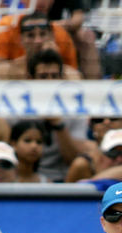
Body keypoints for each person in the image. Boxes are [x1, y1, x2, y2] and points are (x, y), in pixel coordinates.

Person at [25, 48, 88, 182]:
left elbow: (73, 159)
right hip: (26, 178)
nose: (50, 81)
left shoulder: (77, 110)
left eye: (54, 76)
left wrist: (58, 124)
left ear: (62, 78)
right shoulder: (15, 110)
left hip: (65, 179)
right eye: (43, 77)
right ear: (30, 79)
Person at [0, 2, 78, 70]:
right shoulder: (4, 28)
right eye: (30, 35)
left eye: (43, 34)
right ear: (20, 38)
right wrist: (30, 59)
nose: (38, 41)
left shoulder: (61, 35)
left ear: (52, 36)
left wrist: (55, 59)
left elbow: (74, 75)